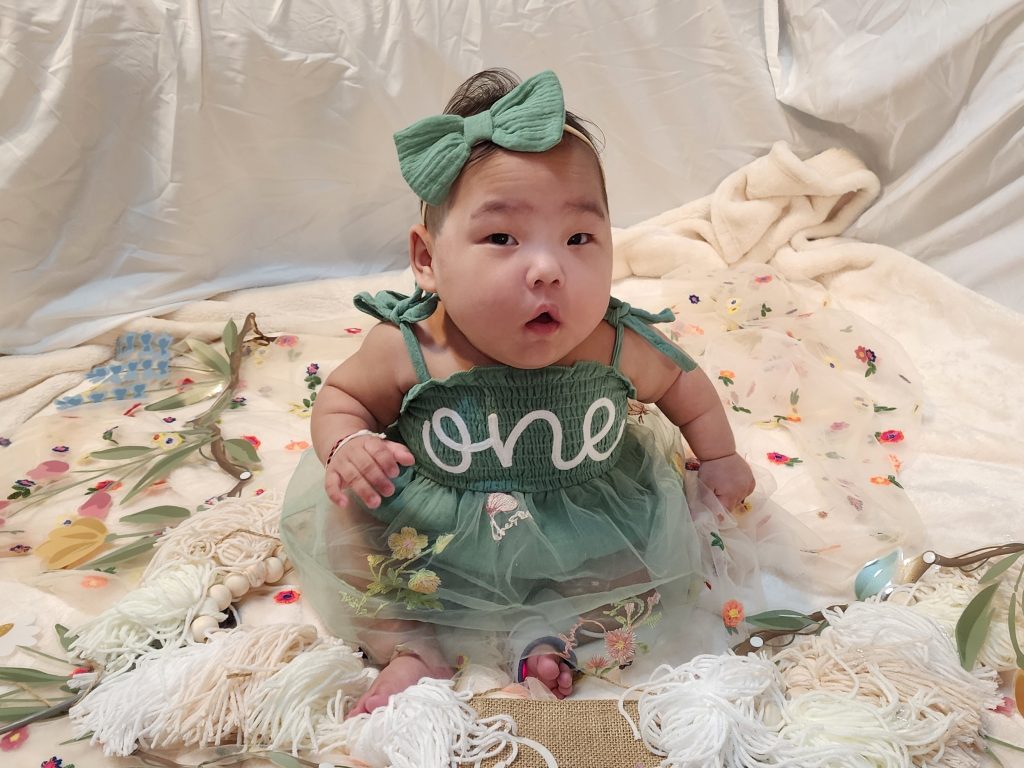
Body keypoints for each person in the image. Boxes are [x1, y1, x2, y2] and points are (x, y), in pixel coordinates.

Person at [281, 68, 755, 717]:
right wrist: (350, 443)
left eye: (579, 238)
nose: (547, 269)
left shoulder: (613, 344)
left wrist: (720, 454)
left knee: (638, 574)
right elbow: (342, 396)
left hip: (581, 519)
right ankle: (410, 648)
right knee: (354, 524)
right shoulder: (414, 347)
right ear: (426, 259)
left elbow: (682, 382)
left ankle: (553, 640)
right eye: (502, 238)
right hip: (435, 535)